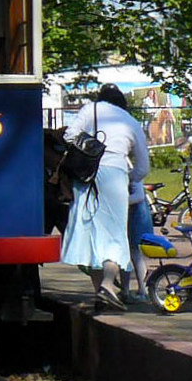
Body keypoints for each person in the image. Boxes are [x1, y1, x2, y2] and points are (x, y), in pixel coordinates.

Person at [59, 83, 151, 311]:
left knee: (91, 233)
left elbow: (69, 135)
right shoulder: (130, 122)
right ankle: (108, 286)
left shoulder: (90, 109)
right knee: (115, 234)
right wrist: (129, 178)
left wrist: (92, 149)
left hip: (86, 175)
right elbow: (143, 167)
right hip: (116, 176)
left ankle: (99, 290)